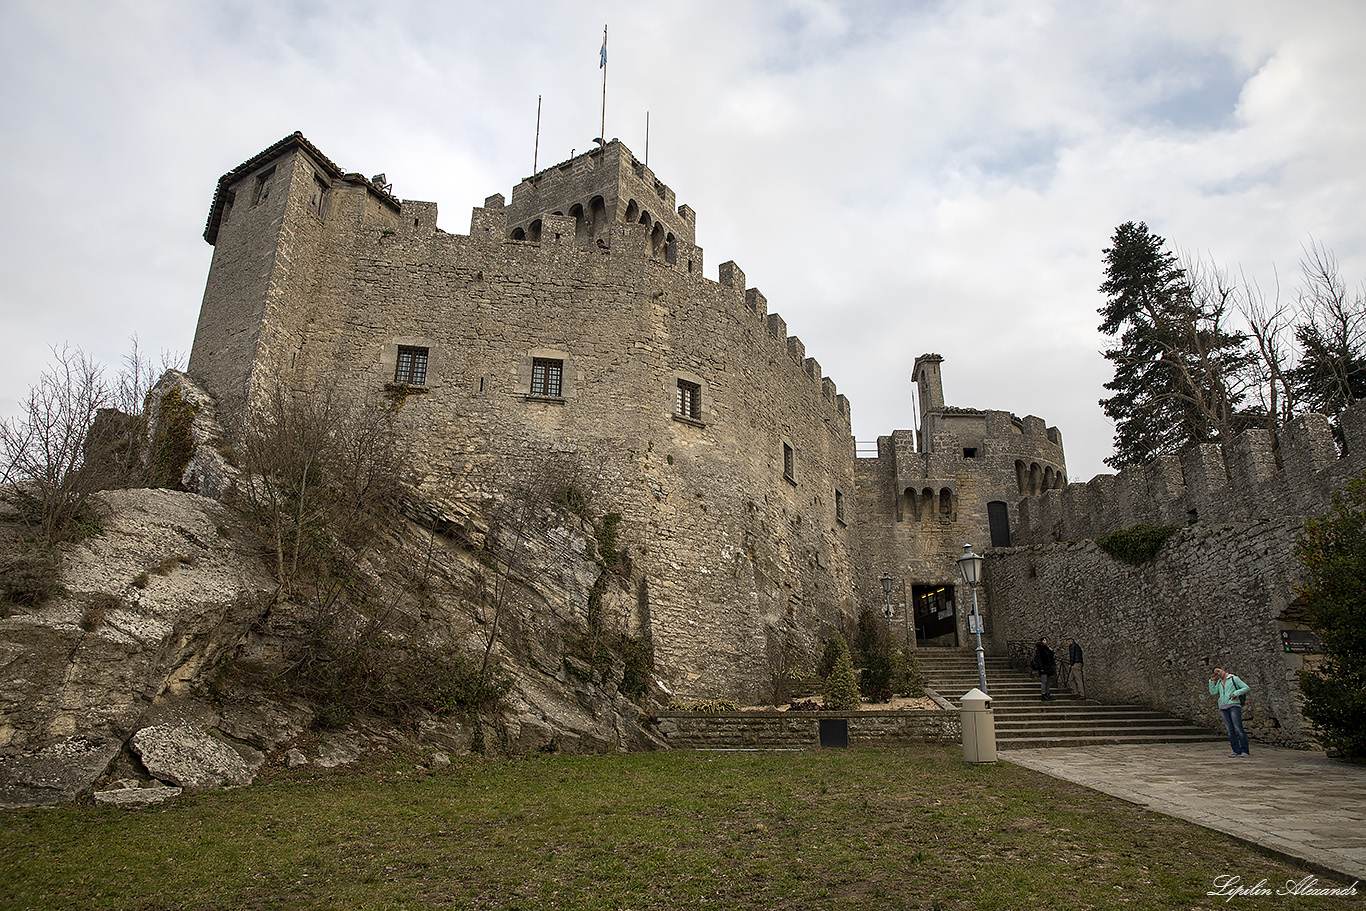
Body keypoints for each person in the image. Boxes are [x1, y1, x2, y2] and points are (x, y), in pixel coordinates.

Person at [1208, 667, 1251, 757]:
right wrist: (1211, 681)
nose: (1218, 673)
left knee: (1238, 728)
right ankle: (1235, 750)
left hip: (1233, 705)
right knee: (1230, 730)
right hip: (1223, 707)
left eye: (1219, 671)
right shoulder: (1219, 682)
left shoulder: (1233, 678)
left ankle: (1244, 750)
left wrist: (1236, 693)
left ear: (1223, 670)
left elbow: (1246, 688)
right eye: (1216, 672)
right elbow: (1213, 692)